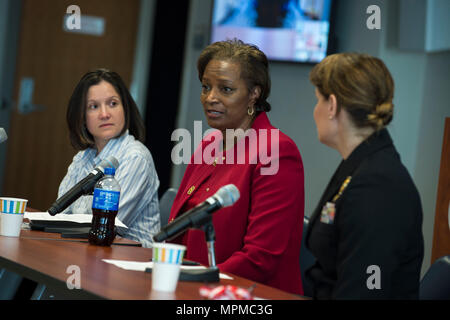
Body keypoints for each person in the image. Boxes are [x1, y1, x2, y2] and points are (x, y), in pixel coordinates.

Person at [168, 39, 305, 295]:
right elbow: (179, 229)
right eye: (206, 87)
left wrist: (197, 284)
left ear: (254, 93)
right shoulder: (210, 142)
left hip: (248, 294)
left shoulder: (276, 151)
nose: (211, 98)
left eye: (226, 89)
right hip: (192, 287)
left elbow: (259, 258)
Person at [305, 53, 424, 299]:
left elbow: (361, 292)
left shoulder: (378, 186)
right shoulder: (361, 164)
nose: (314, 110)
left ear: (333, 106)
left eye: (317, 100)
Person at [58, 69, 160, 248]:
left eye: (113, 103)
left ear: (125, 108)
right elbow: (60, 217)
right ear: (82, 118)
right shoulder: (83, 158)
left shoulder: (135, 158)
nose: (104, 114)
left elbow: (106, 227)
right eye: (93, 106)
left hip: (130, 264)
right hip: (89, 252)